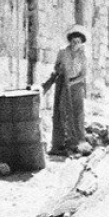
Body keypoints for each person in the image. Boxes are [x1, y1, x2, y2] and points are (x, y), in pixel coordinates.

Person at [41, 25, 89, 157]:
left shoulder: (83, 56)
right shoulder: (62, 52)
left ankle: (77, 143)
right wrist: (59, 69)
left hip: (76, 85)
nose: (75, 44)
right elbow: (56, 65)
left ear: (81, 43)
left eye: (78, 42)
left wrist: (72, 82)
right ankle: (59, 143)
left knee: (77, 113)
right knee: (61, 112)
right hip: (63, 83)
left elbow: (84, 74)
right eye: (73, 41)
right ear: (70, 41)